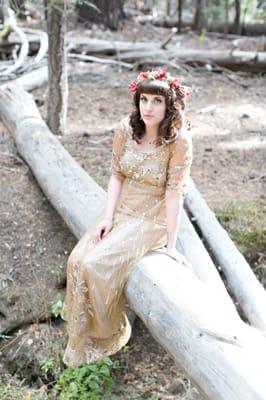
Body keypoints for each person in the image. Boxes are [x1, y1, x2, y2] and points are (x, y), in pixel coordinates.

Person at [62, 69, 193, 367]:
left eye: (156, 101)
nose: (148, 107)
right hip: (123, 209)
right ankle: (81, 342)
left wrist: (171, 247)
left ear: (169, 104)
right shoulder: (126, 128)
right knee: (77, 260)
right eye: (143, 100)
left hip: (152, 218)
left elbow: (175, 194)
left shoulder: (180, 142)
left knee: (96, 265)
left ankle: (110, 334)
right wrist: (107, 218)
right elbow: (116, 175)